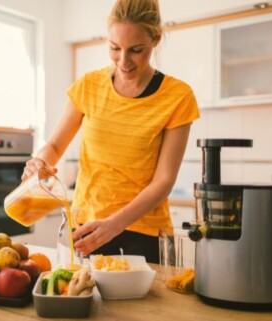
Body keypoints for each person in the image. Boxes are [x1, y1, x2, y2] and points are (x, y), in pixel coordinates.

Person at [22, 0, 199, 264]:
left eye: (136, 50)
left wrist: (114, 225)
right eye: (115, 48)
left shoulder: (177, 96)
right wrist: (40, 162)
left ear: (155, 40)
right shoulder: (88, 86)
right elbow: (56, 146)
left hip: (144, 234)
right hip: (86, 228)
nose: (123, 61)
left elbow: (163, 181)